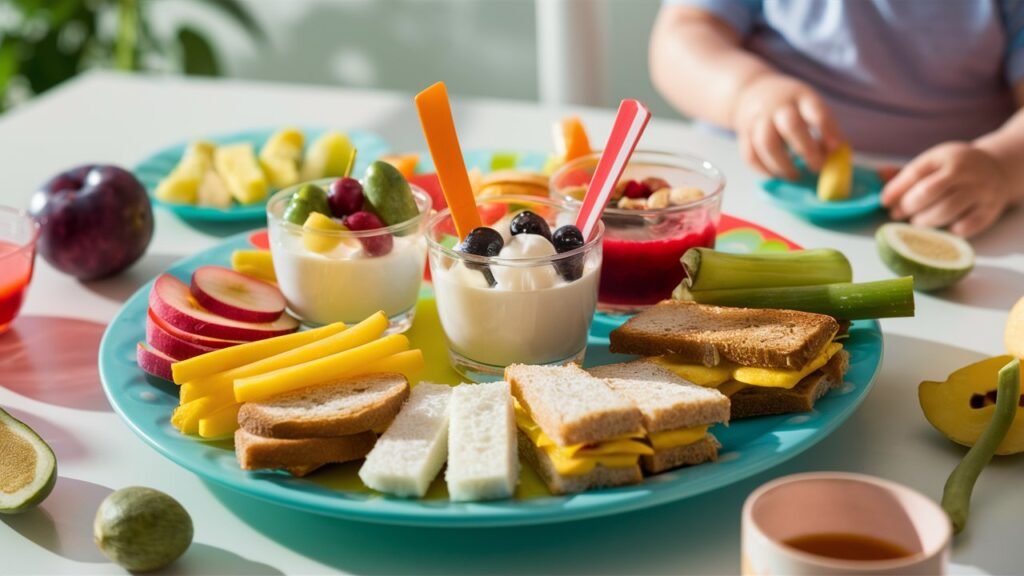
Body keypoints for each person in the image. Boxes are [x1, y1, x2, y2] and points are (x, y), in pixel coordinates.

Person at [649, 0, 1024, 237]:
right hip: (744, 192)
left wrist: (1002, 166)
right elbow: (682, 35)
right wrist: (748, 93)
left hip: (943, 205)